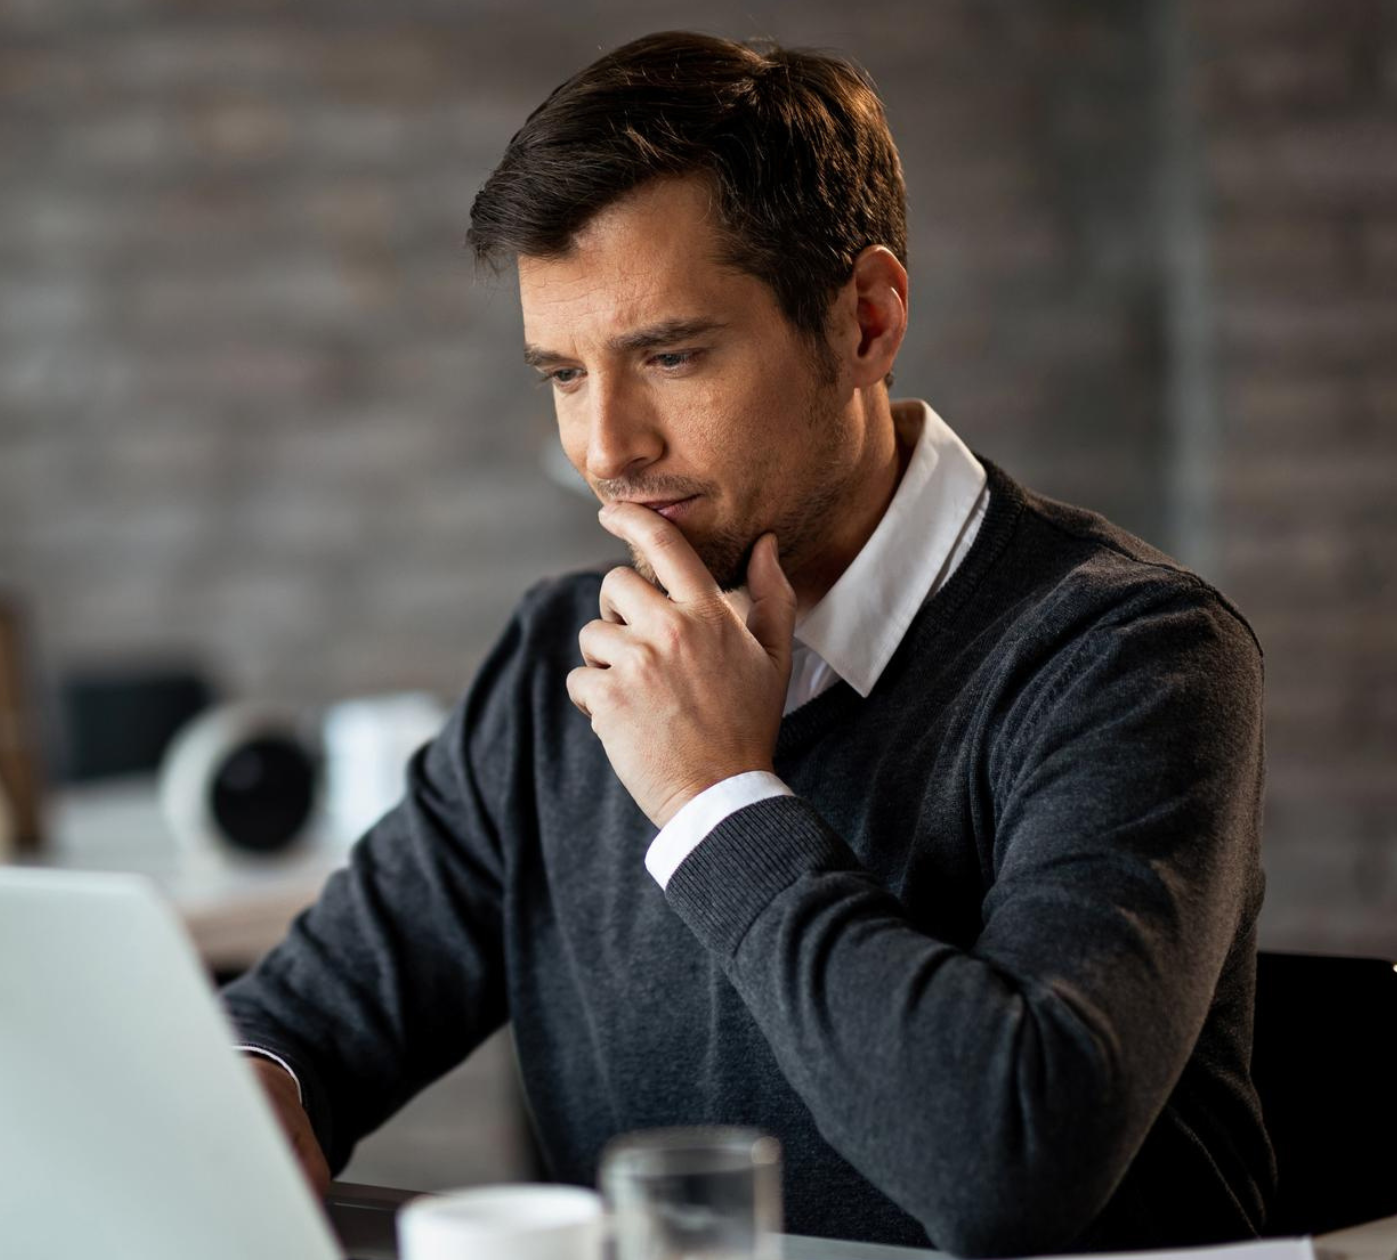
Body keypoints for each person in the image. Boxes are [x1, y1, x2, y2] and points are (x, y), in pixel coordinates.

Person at [220, 30, 1272, 1258]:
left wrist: (712, 795)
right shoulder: (556, 661)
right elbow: (307, 1014)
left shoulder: (1129, 655)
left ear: (866, 320)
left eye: (668, 356)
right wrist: (258, 1081)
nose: (604, 448)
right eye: (562, 374)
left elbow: (1005, 1163)